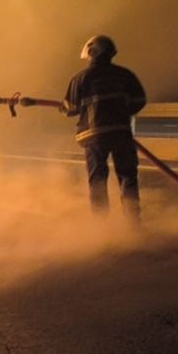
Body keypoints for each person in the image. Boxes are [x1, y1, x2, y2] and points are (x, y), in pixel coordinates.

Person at [61, 35, 147, 221]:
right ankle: (133, 222)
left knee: (98, 181)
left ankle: (102, 225)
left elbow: (71, 108)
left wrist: (64, 108)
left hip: (94, 136)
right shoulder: (125, 75)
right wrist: (122, 113)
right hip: (121, 133)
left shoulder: (80, 78)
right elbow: (140, 100)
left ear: (92, 52)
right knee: (128, 176)